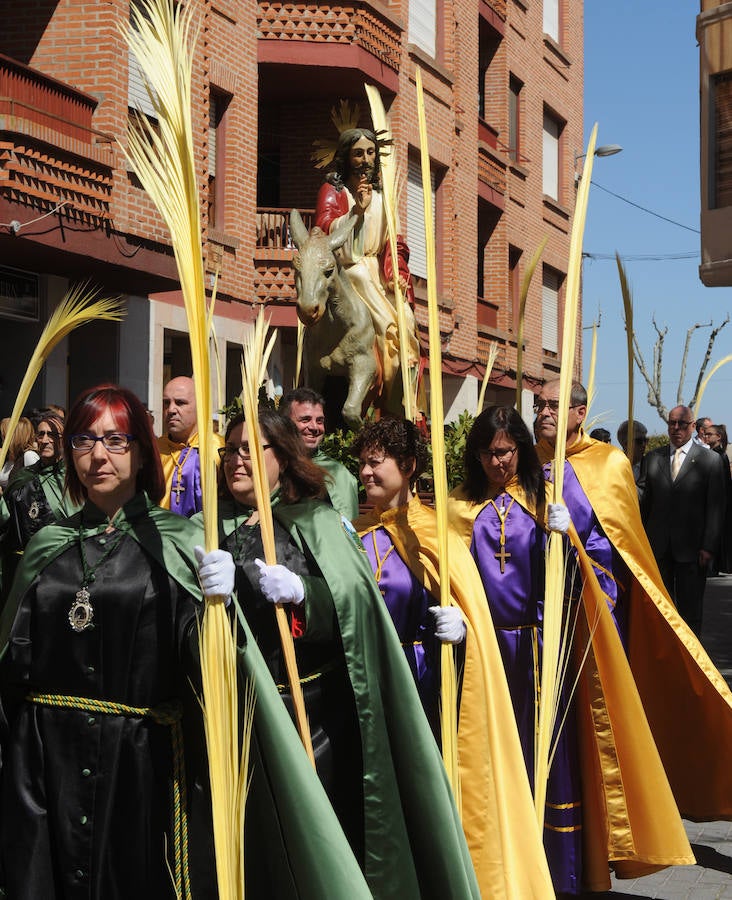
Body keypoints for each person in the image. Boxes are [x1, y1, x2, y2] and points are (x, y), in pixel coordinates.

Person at [212, 409, 481, 899]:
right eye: (230, 449)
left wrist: (303, 594)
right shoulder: (204, 528)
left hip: (309, 716)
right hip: (241, 713)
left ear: (284, 458)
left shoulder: (316, 521)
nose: (237, 460)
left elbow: (354, 607)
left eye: (251, 449)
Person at [0, 385, 230, 897]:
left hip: (139, 764)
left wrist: (223, 611)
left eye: (115, 440)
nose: (97, 455)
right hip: (46, 763)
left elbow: (210, 668)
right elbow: (14, 655)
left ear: (142, 450)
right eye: (83, 440)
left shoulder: (174, 543)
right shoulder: (47, 545)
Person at [533, 383, 732, 887]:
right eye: (538, 405)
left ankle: (611, 836)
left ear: (580, 411)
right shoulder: (521, 461)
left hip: (591, 612)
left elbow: (616, 543)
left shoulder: (608, 463)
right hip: (535, 619)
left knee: (598, 723)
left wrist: (575, 538)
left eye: (554, 405)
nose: (544, 413)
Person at [352, 416, 554, 898]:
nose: (364, 473)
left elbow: (465, 598)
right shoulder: (353, 531)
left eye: (375, 463)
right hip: (369, 680)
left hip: (425, 682)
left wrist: (461, 629)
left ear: (409, 467)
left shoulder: (433, 533)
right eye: (360, 463)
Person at [446, 406, 582, 894]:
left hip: (534, 645)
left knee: (537, 746)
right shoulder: (460, 506)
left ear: (520, 449)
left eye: (503, 451)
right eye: (486, 453)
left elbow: (578, 578)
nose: (495, 462)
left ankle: (551, 866)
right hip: (482, 648)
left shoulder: (545, 500)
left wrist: (568, 540)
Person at [315, 127, 420, 414]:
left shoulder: (384, 197)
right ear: (346, 157)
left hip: (379, 276)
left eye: (370, 152)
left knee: (407, 325)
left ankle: (401, 401)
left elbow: (394, 244)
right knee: (387, 330)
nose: (365, 159)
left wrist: (397, 272)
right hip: (348, 275)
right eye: (358, 153)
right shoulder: (335, 192)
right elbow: (323, 233)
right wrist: (356, 211)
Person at [638, 405, 727, 635]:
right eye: (671, 423)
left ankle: (691, 665)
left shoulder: (710, 461)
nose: (676, 428)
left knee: (690, 612)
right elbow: (642, 502)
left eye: (682, 424)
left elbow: (716, 507)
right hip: (658, 549)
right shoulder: (653, 459)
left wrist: (709, 546)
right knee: (661, 610)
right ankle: (665, 660)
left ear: (692, 425)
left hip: (693, 550)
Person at [280, 387, 359, 519]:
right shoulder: (271, 463)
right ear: (284, 423)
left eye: (319, 421)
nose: (314, 427)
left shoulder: (337, 474)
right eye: (305, 420)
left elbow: (347, 528)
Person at [156, 375, 224, 517]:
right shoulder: (154, 449)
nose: (171, 410)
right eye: (166, 403)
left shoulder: (218, 449)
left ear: (200, 406)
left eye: (180, 403)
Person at [0, 417, 39, 491]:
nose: (2, 439)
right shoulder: (8, 457)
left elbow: (36, 490)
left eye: (4, 435)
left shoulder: (29, 456)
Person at [616, 418, 648, 484]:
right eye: (639, 441)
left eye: (646, 440)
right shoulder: (614, 466)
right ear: (625, 443)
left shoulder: (651, 466)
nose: (644, 444)